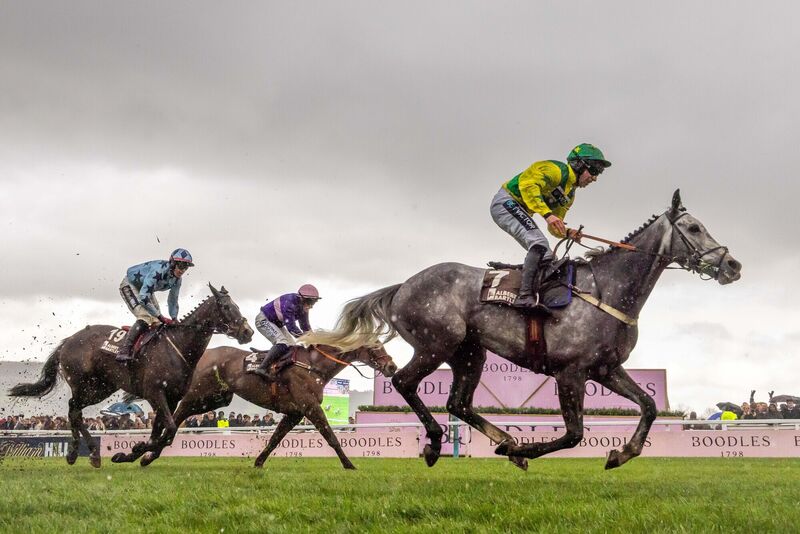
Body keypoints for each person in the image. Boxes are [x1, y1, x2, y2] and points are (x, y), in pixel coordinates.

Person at [490, 143, 611, 311]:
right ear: (579, 165)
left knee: (548, 256)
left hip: (518, 209)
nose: (595, 178)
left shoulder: (569, 195)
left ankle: (521, 277)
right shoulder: (554, 170)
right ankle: (524, 296)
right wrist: (547, 215)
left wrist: (568, 232)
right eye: (595, 171)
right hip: (505, 202)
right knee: (539, 243)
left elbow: (554, 226)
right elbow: (527, 185)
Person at [116, 248, 195, 362]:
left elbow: (172, 300)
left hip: (145, 289)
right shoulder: (158, 272)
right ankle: (124, 350)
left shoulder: (177, 280)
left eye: (186, 267)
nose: (183, 270)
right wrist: (159, 315)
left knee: (156, 322)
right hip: (130, 285)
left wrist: (174, 318)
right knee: (146, 316)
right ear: (173, 263)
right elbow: (143, 297)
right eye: (181, 265)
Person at [252, 284, 321, 379]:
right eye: (309, 302)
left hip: (276, 324)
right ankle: (262, 368)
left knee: (292, 346)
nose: (311, 306)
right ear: (301, 298)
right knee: (282, 342)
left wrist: (314, 340)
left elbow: (305, 327)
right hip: (264, 320)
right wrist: (308, 341)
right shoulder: (289, 303)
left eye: (313, 302)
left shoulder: (304, 307)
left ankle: (280, 368)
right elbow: (292, 328)